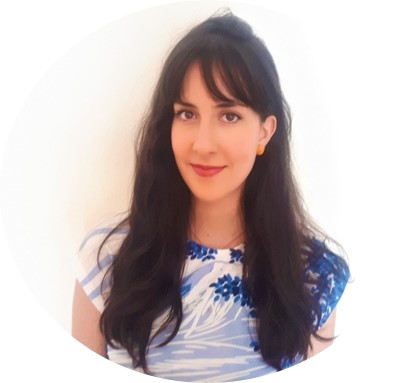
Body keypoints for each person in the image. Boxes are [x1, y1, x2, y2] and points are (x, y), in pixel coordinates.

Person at [72, 10, 350, 382]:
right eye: (187, 114)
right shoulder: (106, 259)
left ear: (265, 132)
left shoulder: (315, 275)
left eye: (229, 116)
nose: (202, 144)